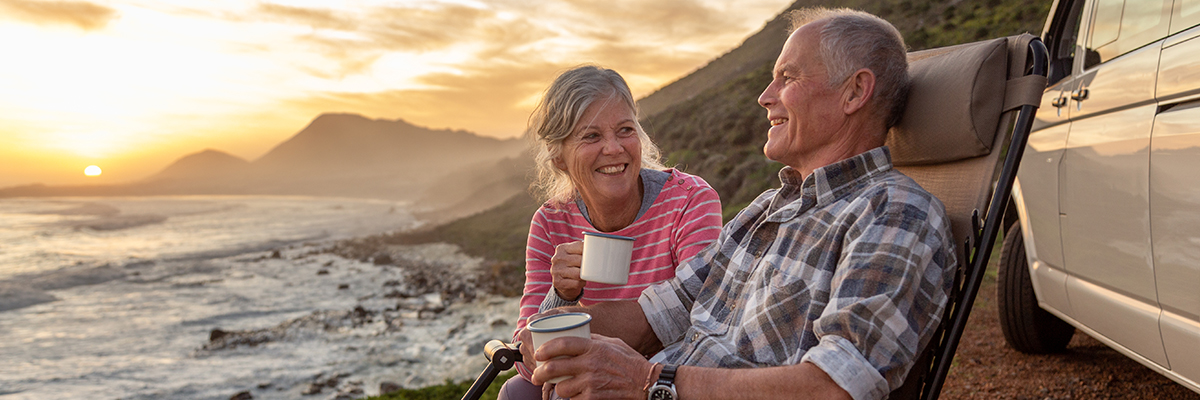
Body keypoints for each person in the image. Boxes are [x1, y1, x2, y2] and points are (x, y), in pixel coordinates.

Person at [516, 8, 957, 400]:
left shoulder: (895, 214)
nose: (765, 96)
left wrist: (647, 382)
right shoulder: (767, 210)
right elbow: (660, 312)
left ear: (855, 92)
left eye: (788, 77)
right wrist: (557, 329)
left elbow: (835, 386)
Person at [497, 65, 724, 399]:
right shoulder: (550, 223)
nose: (614, 148)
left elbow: (707, 318)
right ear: (559, 157)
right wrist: (562, 294)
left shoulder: (689, 200)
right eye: (591, 136)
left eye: (625, 130)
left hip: (666, 377)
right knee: (517, 392)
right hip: (582, 382)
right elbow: (527, 355)